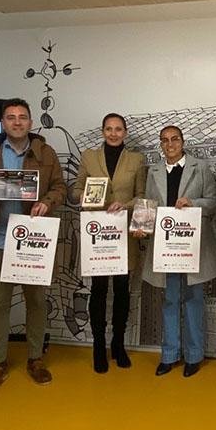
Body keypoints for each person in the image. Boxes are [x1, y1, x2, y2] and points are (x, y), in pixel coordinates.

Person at [0, 98, 67, 395]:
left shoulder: (45, 153)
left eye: (22, 117)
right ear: (3, 123)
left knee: (36, 303)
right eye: (11, 117)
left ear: (31, 122)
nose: (17, 122)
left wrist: (46, 202)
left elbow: (60, 187)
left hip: (34, 242)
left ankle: (35, 359)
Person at [136, 125, 216, 377]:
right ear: (160, 145)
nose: (170, 144)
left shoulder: (201, 168)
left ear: (182, 142)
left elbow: (214, 202)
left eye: (174, 139)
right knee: (170, 299)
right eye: (164, 140)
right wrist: (141, 226)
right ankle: (170, 354)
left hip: (192, 246)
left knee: (194, 299)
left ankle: (194, 355)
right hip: (165, 247)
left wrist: (193, 203)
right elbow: (147, 204)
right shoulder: (153, 171)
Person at [71, 112, 146, 373]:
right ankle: (98, 346)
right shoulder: (89, 156)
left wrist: (124, 204)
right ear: (103, 131)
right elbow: (76, 189)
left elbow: (141, 196)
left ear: (125, 132)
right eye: (108, 129)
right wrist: (88, 198)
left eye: (118, 129)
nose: (113, 133)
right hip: (98, 235)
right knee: (99, 290)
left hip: (124, 234)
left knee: (123, 291)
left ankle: (118, 344)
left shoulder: (137, 159)